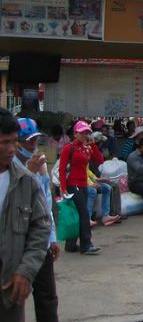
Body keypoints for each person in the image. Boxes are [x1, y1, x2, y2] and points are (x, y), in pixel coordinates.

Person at [0, 110, 50, 322]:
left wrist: (26, 270)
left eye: (14, 142)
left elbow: (41, 228)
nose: (12, 149)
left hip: (9, 289)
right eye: (4, 143)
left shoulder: (26, 182)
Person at [13, 118, 59, 321]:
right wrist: (28, 172)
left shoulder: (39, 164)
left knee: (47, 296)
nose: (32, 146)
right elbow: (10, 200)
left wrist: (52, 237)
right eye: (28, 142)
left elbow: (45, 204)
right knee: (14, 298)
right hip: (15, 240)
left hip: (39, 240)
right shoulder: (10, 167)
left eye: (35, 141)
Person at [59, 120, 103, 254]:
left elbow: (99, 160)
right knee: (84, 214)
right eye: (83, 133)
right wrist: (63, 188)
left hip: (83, 184)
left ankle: (71, 245)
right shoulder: (69, 148)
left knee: (78, 215)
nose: (85, 135)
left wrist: (93, 145)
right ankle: (86, 244)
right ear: (75, 134)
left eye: (87, 133)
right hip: (73, 185)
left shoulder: (86, 148)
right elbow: (61, 169)